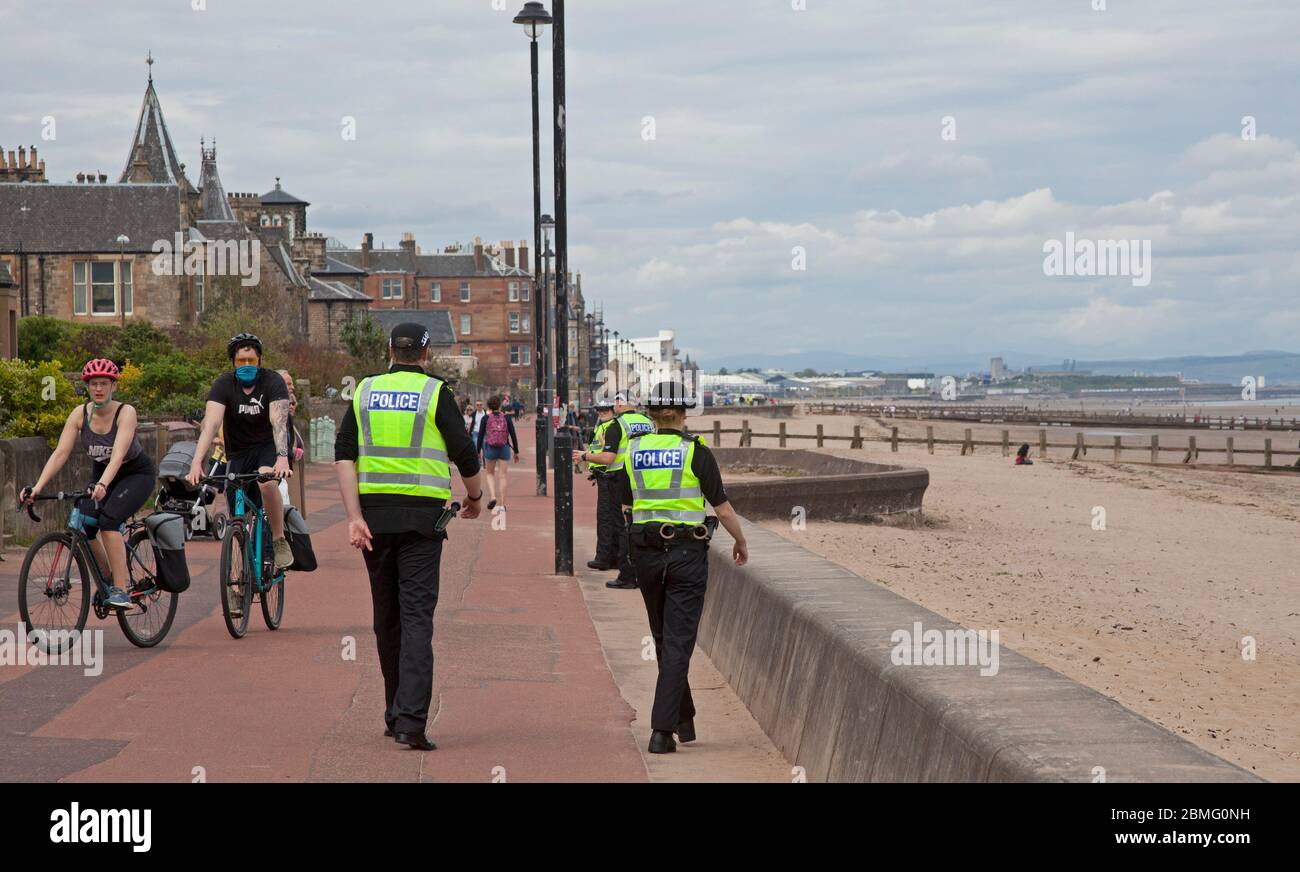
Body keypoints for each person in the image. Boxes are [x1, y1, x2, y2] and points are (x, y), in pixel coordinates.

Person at [334, 322, 484, 751]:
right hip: (421, 521)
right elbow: (464, 454)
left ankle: (393, 712)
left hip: (374, 520)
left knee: (387, 618)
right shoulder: (436, 393)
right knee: (417, 617)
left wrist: (353, 517)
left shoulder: (363, 391)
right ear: (425, 354)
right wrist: (475, 498)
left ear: (389, 351)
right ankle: (411, 722)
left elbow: (344, 454)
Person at [620, 380, 748, 754]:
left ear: (652, 413)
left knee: (662, 636)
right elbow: (722, 508)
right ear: (683, 413)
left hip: (644, 550)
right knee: (678, 641)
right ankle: (662, 731)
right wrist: (741, 541)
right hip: (686, 552)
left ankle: (684, 716)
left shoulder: (633, 450)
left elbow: (628, 505)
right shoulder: (695, 451)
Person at [21, 359, 156, 610]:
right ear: (87, 387)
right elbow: (61, 452)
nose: (99, 389)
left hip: (135, 474)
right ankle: (106, 579)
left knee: (108, 521)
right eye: (94, 384)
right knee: (82, 522)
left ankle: (120, 589)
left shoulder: (125, 412)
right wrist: (37, 487)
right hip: (102, 474)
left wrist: (103, 484)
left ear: (113, 385)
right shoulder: (79, 414)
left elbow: (117, 455)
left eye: (104, 383)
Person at [187, 333, 293, 581]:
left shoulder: (272, 381)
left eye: (251, 360)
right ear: (232, 363)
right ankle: (238, 584)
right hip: (238, 451)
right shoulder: (224, 385)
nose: (246, 365)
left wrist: (282, 458)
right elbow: (211, 423)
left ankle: (278, 539)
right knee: (237, 515)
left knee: (266, 482)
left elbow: (279, 423)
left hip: (268, 446)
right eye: (241, 361)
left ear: (260, 360)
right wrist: (196, 461)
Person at [573, 392, 654, 588]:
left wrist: (585, 456)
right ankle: (626, 565)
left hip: (617, 478)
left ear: (622, 403)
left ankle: (624, 571)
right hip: (643, 477)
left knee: (617, 523)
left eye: (616, 401)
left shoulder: (618, 425)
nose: (614, 405)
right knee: (635, 522)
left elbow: (609, 458)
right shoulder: (648, 422)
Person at [574, 396, 620, 570]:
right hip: (605, 476)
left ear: (613, 410)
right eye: (599, 410)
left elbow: (608, 456)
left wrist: (584, 456)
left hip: (611, 476)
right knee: (610, 519)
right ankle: (612, 557)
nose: (602, 413)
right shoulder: (602, 426)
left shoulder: (612, 427)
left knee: (607, 519)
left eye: (605, 410)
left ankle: (605, 558)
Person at [475, 394, 520, 513]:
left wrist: (477, 451)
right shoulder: (506, 418)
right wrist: (516, 451)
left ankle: (493, 497)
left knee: (489, 473)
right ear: (500, 406)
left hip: (490, 448)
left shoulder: (485, 418)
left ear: (489, 406)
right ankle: (502, 504)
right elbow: (513, 435)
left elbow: (480, 437)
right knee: (503, 476)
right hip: (504, 447)